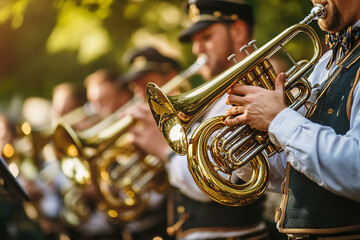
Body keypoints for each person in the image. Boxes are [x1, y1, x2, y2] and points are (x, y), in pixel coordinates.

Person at [125, 1, 274, 239]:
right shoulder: (214, 100)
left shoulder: (249, 95)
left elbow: (211, 183)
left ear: (237, 31)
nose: (196, 49)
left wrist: (165, 151)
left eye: (206, 37)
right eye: (195, 40)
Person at [224, 0, 360, 239]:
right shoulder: (324, 65)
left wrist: (278, 119)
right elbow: (297, 171)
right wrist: (248, 143)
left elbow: (355, 170)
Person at [118, 46, 182, 240]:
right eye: (135, 87)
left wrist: (161, 149)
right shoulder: (140, 128)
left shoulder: (194, 121)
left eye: (146, 85)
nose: (139, 95)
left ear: (171, 77)